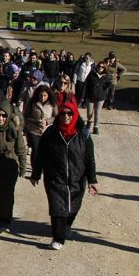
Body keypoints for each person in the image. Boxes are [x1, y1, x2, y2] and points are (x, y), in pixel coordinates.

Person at [31, 102, 99, 250]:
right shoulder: (50, 133)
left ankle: (68, 224)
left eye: (70, 114)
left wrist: (92, 180)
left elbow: (89, 159)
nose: (66, 116)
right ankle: (58, 238)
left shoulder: (84, 134)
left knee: (73, 206)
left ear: (75, 115)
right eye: (63, 113)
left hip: (77, 178)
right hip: (55, 177)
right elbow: (40, 155)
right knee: (57, 207)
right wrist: (35, 174)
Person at [24, 84, 55, 160]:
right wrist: (36, 122)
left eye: (45, 95)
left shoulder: (52, 103)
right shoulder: (32, 103)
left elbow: (56, 116)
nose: (42, 98)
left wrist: (47, 121)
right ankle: (35, 168)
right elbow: (26, 116)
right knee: (35, 150)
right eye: (41, 95)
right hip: (33, 130)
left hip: (47, 131)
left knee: (45, 151)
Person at [83, 61, 108, 134]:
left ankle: (96, 127)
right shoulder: (91, 74)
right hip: (90, 96)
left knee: (97, 112)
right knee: (89, 112)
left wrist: (109, 84)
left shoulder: (106, 76)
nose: (100, 68)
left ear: (104, 68)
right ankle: (89, 122)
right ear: (97, 67)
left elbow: (107, 85)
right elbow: (86, 84)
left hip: (100, 97)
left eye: (102, 67)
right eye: (99, 66)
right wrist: (83, 95)